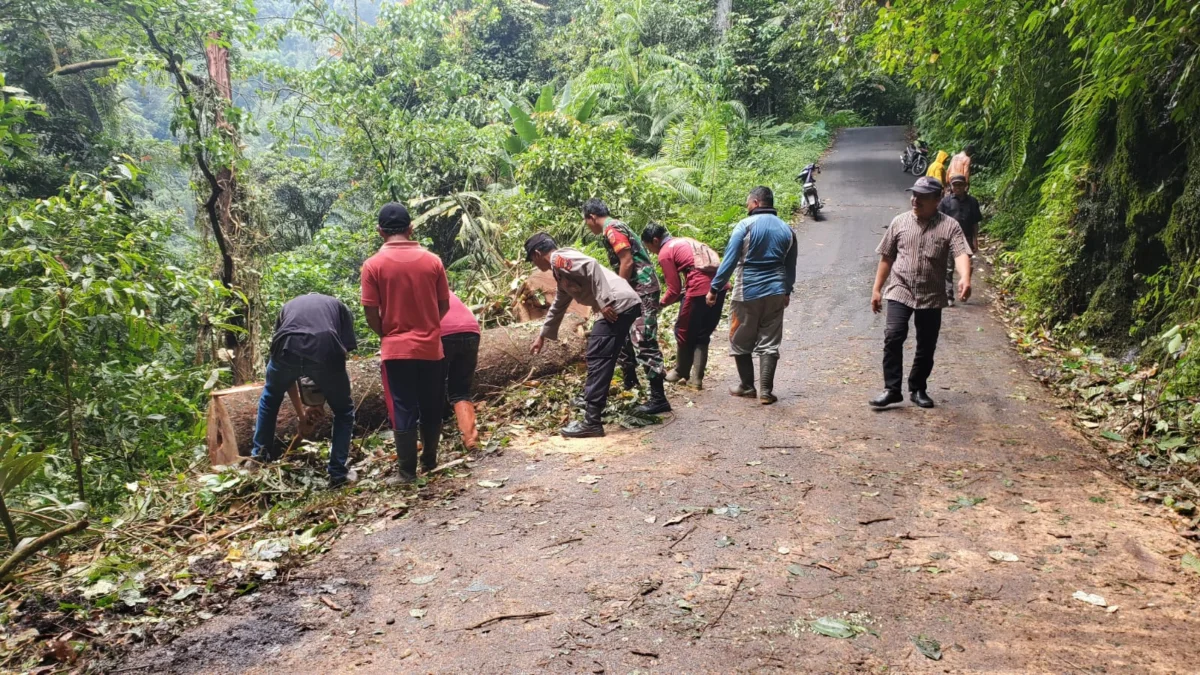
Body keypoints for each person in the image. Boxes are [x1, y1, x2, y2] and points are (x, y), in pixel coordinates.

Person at [361, 202, 450, 482]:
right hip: (430, 348)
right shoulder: (433, 261)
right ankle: (431, 460)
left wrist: (388, 334)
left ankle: (407, 472)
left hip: (396, 349)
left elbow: (370, 313)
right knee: (431, 403)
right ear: (411, 228)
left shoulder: (373, 265)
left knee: (402, 406)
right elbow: (444, 305)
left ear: (380, 232)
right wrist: (428, 326)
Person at [526, 233, 643, 438]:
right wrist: (542, 335)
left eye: (532, 259)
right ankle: (605, 403)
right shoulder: (559, 272)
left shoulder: (558, 259)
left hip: (616, 304)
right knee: (604, 355)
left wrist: (604, 300)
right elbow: (559, 304)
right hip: (624, 303)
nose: (534, 264)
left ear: (537, 253)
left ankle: (592, 421)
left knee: (597, 356)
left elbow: (592, 265)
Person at [869, 176, 972, 409]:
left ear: (938, 199)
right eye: (914, 194)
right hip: (900, 288)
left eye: (923, 196)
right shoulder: (900, 222)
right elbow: (887, 257)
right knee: (893, 335)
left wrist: (965, 277)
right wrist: (877, 289)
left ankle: (918, 388)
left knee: (926, 343)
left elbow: (960, 254)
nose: (915, 200)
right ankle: (892, 389)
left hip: (932, 293)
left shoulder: (950, 226)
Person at [250, 293, 357, 488]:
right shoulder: (339, 307)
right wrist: (312, 408)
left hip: (286, 346)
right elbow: (337, 360)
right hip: (326, 346)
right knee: (343, 411)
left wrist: (310, 409)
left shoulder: (288, 306)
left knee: (270, 398)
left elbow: (289, 377)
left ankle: (258, 459)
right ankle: (337, 474)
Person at [707, 186, 798, 405]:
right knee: (770, 341)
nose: (747, 207)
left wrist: (714, 288)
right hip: (776, 291)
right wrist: (787, 290)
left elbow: (729, 261)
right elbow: (790, 265)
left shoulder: (745, 226)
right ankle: (766, 391)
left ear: (756, 203)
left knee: (740, 338)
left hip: (747, 292)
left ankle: (747, 386)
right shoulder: (787, 230)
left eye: (748, 203)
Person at [582, 198, 671, 415]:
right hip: (634, 292)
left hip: (641, 290)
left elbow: (627, 261)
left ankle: (659, 398)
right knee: (622, 337)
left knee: (644, 339)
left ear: (592, 217)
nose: (587, 226)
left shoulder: (612, 229)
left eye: (586, 221)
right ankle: (631, 385)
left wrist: (617, 293)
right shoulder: (613, 228)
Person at [381, 291, 481, 451]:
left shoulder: (411, 295)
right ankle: (471, 440)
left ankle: (424, 443)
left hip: (442, 332)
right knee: (460, 391)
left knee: (430, 388)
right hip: (471, 330)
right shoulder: (439, 288)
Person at [641, 223, 726, 389]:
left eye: (649, 247)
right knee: (702, 333)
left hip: (699, 288)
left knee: (682, 330)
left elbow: (673, 289)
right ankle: (696, 379)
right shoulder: (683, 241)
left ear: (655, 240)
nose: (650, 251)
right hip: (719, 286)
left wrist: (659, 305)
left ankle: (680, 371)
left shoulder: (665, 252)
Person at [938, 174, 982, 306]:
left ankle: (964, 289)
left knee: (967, 267)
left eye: (960, 185)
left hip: (966, 238)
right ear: (951, 187)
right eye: (955, 185)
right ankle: (949, 295)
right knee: (948, 267)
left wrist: (975, 239)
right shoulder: (945, 202)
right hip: (948, 238)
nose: (958, 187)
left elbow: (975, 222)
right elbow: (939, 220)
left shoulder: (972, 202)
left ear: (965, 186)